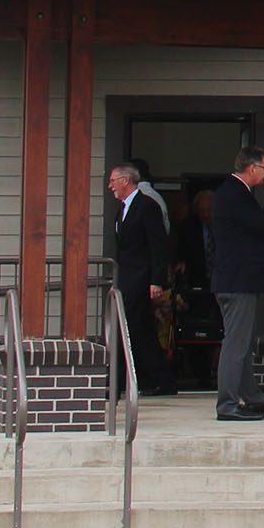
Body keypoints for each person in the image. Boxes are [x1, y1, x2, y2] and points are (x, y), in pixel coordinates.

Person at [210, 148, 264, 422]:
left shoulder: (231, 193)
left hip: (232, 277)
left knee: (240, 342)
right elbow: (262, 225)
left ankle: (253, 399)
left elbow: (245, 232)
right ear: (252, 168)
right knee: (235, 345)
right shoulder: (236, 193)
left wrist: (263, 239)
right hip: (239, 280)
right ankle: (227, 405)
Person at [108, 163, 173, 395]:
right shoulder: (123, 208)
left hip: (141, 279)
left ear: (126, 180)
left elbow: (158, 246)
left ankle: (148, 378)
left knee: (134, 328)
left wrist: (156, 280)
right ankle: (151, 379)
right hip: (126, 279)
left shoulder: (147, 206)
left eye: (113, 180)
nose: (110, 186)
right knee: (137, 328)